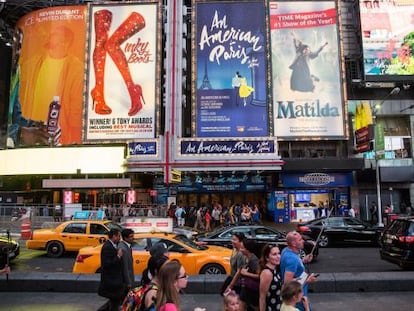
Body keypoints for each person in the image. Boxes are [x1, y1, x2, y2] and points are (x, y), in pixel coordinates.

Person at [19, 25, 84, 145]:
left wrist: (75, 141)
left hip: (58, 136)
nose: (50, 39)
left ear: (66, 43)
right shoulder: (32, 63)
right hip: (31, 132)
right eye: (51, 36)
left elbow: (76, 110)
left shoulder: (77, 68)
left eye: (55, 36)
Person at [280, 232, 317, 311]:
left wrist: (303, 261)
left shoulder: (286, 251)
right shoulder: (292, 259)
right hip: (297, 296)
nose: (303, 241)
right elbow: (288, 282)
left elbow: (293, 266)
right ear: (293, 243)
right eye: (300, 240)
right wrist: (307, 280)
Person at [97, 228, 125, 311]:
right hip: (111, 281)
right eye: (118, 236)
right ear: (114, 236)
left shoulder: (113, 245)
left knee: (114, 301)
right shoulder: (107, 247)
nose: (120, 238)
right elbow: (107, 263)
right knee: (114, 301)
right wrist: (118, 256)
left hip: (114, 281)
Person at [259, 244, 282, 311]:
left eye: (279, 253)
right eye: (274, 254)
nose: (278, 256)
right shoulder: (267, 273)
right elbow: (262, 297)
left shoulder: (274, 270)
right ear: (267, 258)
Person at [239, 238, 260, 311]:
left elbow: (259, 276)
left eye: (242, 248)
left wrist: (246, 273)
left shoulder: (254, 260)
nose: (240, 249)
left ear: (247, 249)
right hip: (246, 288)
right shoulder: (247, 258)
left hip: (252, 290)